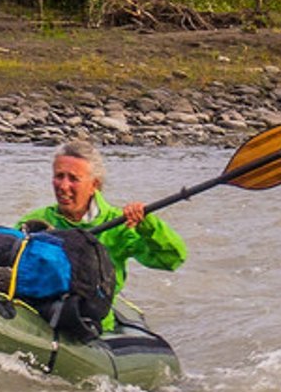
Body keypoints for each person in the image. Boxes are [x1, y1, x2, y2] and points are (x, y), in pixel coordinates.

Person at [10, 138, 186, 326]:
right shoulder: (36, 221)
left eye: (73, 178)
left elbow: (171, 259)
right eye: (59, 176)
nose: (63, 186)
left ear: (94, 184)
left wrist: (148, 225)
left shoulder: (120, 224)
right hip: (39, 315)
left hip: (92, 322)